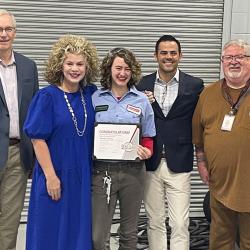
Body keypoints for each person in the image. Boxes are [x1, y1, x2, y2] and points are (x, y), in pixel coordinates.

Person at [23, 34, 99, 250]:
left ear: (87, 66)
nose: (75, 69)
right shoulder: (47, 97)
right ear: (60, 65)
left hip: (81, 176)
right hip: (54, 174)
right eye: (69, 63)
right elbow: (37, 139)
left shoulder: (90, 94)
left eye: (80, 64)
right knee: (50, 231)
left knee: (77, 231)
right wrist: (50, 177)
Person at [136, 34, 204, 250]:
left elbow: (203, 118)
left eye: (173, 53)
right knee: (155, 220)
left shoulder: (194, 85)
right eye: (163, 53)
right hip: (150, 162)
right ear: (155, 56)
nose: (168, 57)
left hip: (180, 161)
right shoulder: (141, 84)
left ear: (180, 56)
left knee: (180, 223)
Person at [92, 47, 156, 250]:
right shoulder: (95, 98)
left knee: (129, 234)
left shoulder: (142, 100)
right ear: (109, 69)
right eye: (118, 68)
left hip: (133, 173)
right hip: (102, 172)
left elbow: (148, 136)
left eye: (127, 69)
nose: (122, 73)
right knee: (98, 235)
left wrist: (147, 151)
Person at [192, 39, 250, 250]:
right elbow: (198, 138)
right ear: (222, 62)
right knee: (220, 239)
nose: (234, 62)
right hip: (220, 184)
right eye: (228, 58)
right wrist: (201, 164)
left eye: (240, 57)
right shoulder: (208, 94)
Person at [0, 9, 39, 250]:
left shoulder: (28, 66)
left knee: (10, 220)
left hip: (17, 153)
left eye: (8, 29)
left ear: (15, 32)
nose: (3, 34)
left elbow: (35, 111)